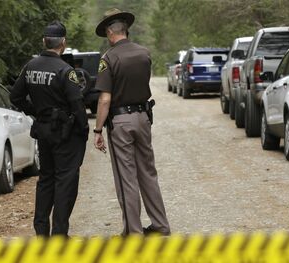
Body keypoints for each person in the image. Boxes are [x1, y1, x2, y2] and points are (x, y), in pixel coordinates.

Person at [92, 8, 171, 235]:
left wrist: (97, 129)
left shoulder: (108, 59)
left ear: (109, 33)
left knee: (126, 177)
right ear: (125, 30)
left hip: (121, 122)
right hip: (143, 118)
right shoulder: (144, 53)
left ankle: (133, 232)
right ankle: (160, 225)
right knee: (148, 173)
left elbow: (105, 99)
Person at [10, 21, 88, 237]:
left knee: (46, 180)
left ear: (44, 41)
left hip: (43, 131)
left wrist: (36, 111)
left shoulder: (30, 67)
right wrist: (84, 132)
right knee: (65, 182)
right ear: (63, 43)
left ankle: (41, 231)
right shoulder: (65, 70)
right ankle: (60, 235)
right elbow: (77, 105)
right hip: (65, 133)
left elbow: (15, 96)